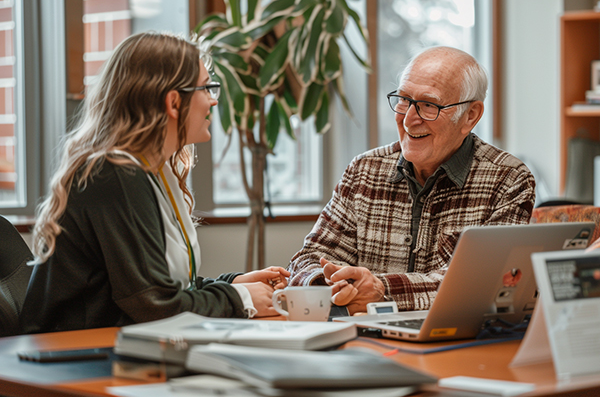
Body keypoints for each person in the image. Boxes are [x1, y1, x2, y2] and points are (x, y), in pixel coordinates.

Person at [20, 32, 289, 334]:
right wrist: (239, 299)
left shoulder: (153, 171)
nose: (213, 100)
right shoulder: (114, 174)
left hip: (112, 348)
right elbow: (156, 307)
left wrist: (233, 284)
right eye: (206, 88)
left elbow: (160, 288)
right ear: (174, 102)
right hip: (71, 359)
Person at [287, 46, 536, 315]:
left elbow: (486, 284)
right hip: (361, 339)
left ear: (470, 116)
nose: (408, 120)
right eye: (404, 100)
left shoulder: (509, 180)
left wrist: (381, 290)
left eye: (428, 105)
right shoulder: (363, 171)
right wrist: (330, 283)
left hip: (456, 346)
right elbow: (308, 258)